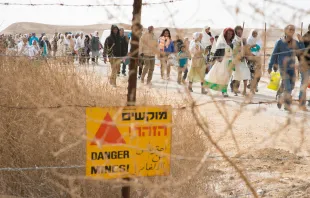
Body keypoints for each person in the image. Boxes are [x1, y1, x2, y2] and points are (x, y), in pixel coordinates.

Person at [268, 24, 305, 111]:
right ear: (286, 30)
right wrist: (270, 65)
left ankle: (281, 97)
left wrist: (301, 41)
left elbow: (302, 52)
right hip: (283, 68)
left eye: (293, 30)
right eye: (290, 29)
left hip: (292, 68)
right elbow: (274, 54)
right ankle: (287, 104)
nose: (292, 31)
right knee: (287, 87)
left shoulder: (295, 42)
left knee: (291, 86)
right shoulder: (280, 42)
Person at [205, 28, 235, 97]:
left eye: (231, 34)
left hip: (229, 62)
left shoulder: (231, 44)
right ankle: (221, 91)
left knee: (227, 77)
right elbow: (217, 52)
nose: (230, 35)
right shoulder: (222, 43)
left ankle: (224, 91)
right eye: (228, 33)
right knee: (219, 76)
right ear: (225, 34)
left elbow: (232, 53)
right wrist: (213, 60)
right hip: (222, 62)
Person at [230, 26, 251, 96]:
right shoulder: (235, 41)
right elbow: (234, 51)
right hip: (237, 61)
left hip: (243, 61)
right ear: (236, 32)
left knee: (246, 74)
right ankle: (235, 90)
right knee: (237, 76)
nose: (240, 34)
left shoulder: (243, 40)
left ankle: (244, 90)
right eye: (238, 32)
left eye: (241, 32)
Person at [246, 29, 262, 94]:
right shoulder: (249, 40)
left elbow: (259, 48)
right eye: (253, 33)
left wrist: (254, 47)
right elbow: (248, 48)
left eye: (256, 33)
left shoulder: (259, 40)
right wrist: (253, 47)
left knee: (258, 74)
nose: (255, 35)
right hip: (251, 59)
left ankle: (255, 86)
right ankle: (251, 88)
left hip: (258, 59)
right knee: (251, 74)